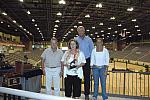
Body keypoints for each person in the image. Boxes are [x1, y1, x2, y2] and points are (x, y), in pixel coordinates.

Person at [75, 26, 94, 100]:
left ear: (84, 31)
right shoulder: (75, 39)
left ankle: (86, 94)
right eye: (79, 31)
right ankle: (77, 93)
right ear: (77, 32)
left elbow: (92, 51)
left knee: (87, 78)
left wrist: (91, 64)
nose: (81, 32)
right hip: (79, 61)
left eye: (82, 30)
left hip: (87, 60)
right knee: (78, 78)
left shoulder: (89, 39)